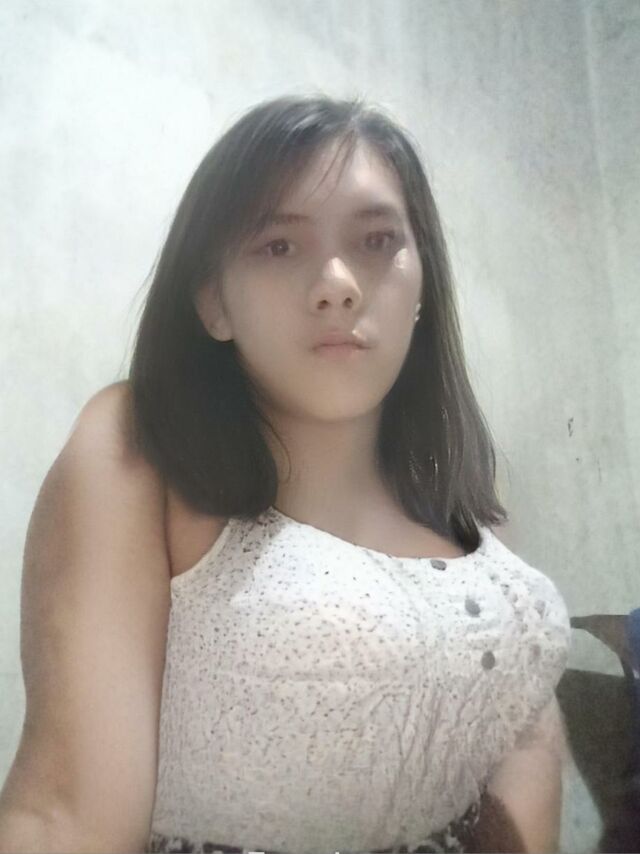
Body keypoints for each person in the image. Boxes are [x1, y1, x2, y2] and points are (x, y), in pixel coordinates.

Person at [0, 93, 572, 854]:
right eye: (278, 246)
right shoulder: (139, 452)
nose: (337, 282)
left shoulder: (461, 498)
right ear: (212, 301)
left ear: (424, 286)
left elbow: (522, 743)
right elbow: (66, 815)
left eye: (377, 240)